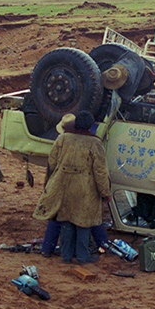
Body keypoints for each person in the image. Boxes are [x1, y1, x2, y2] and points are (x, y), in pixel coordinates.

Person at [33, 111, 110, 264]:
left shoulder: (62, 138)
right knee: (84, 222)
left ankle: (66, 256)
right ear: (90, 126)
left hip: (63, 185)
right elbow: (100, 171)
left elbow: (52, 162)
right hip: (85, 188)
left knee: (66, 221)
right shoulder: (95, 143)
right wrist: (104, 192)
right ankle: (82, 256)